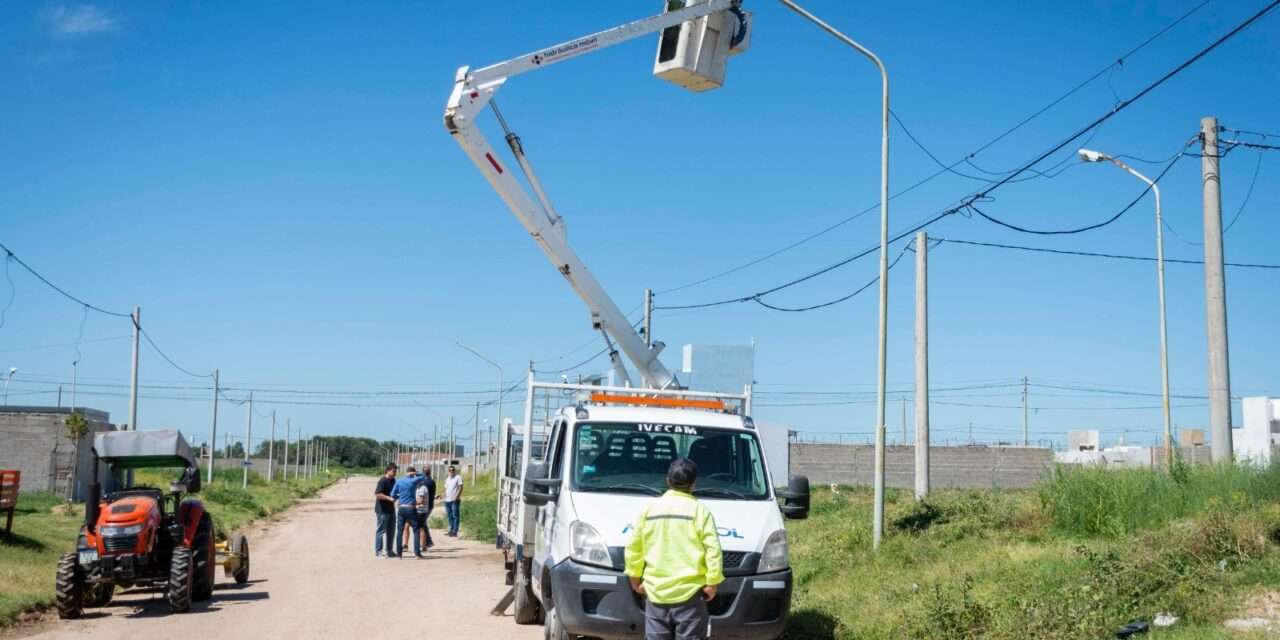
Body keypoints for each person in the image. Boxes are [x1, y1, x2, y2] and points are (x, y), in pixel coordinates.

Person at [624, 458, 723, 640]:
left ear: (667, 481)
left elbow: (634, 548)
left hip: (655, 594)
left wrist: (635, 579)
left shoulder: (649, 510)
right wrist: (712, 582)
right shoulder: (700, 511)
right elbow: (713, 550)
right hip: (691, 596)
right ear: (693, 484)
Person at [391, 466, 425, 558]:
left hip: (401, 508)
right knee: (416, 530)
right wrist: (416, 473)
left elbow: (392, 494)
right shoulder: (413, 481)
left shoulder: (399, 481)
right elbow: (424, 476)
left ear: (406, 472)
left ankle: (399, 554)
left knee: (400, 531)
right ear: (412, 473)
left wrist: (401, 496)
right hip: (411, 508)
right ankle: (417, 553)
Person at [373, 463, 398, 558]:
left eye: (396, 471)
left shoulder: (394, 480)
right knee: (381, 531)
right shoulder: (382, 481)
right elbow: (377, 494)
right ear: (388, 471)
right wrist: (389, 498)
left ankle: (389, 551)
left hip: (391, 509)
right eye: (394, 471)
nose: (395, 473)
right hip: (382, 510)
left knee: (391, 531)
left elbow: (395, 492)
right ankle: (378, 552)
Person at [414, 467, 436, 550]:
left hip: (424, 506)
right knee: (423, 523)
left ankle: (426, 542)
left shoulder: (423, 483)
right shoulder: (432, 481)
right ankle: (427, 542)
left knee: (422, 525)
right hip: (430, 505)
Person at [443, 465, 464, 537]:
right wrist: (443, 496)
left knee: (455, 515)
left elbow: (461, 487)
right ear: (448, 471)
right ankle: (451, 530)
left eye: (453, 470)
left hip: (454, 500)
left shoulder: (458, 477)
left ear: (454, 471)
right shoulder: (447, 479)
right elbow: (446, 489)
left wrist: (457, 497)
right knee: (449, 516)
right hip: (447, 500)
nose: (451, 471)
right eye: (450, 470)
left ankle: (455, 531)